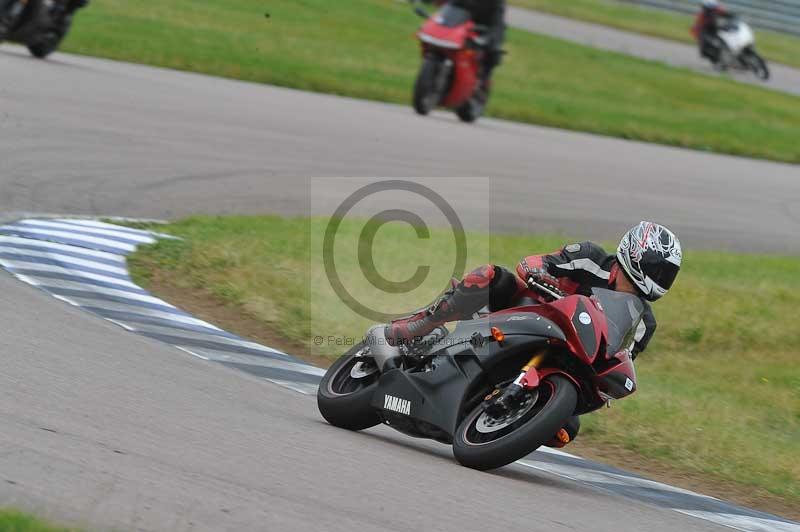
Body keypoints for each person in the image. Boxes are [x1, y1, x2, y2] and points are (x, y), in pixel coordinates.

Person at [384, 221, 682, 447]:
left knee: (567, 430)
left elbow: (617, 356)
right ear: (634, 254)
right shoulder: (590, 257)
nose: (661, 278)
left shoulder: (644, 324)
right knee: (488, 276)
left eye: (667, 274)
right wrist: (540, 276)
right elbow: (533, 263)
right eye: (658, 269)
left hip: (566, 357)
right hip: (528, 312)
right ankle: (419, 326)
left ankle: (497, 422)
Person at [424, 0, 506, 90]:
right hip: (458, 24)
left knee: (494, 49)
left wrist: (492, 40)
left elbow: (497, 22)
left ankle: (482, 80)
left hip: (483, 26)